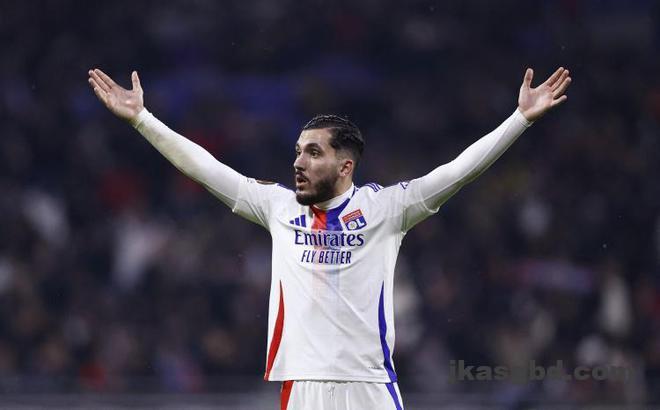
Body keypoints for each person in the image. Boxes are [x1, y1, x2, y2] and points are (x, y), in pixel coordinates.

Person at [88, 66, 571, 409]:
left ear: (345, 166)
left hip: (369, 386)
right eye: (298, 151)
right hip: (301, 387)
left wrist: (519, 120)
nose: (298, 163)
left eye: (313, 153)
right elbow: (206, 168)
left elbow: (458, 172)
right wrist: (142, 119)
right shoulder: (277, 207)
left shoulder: (387, 209)